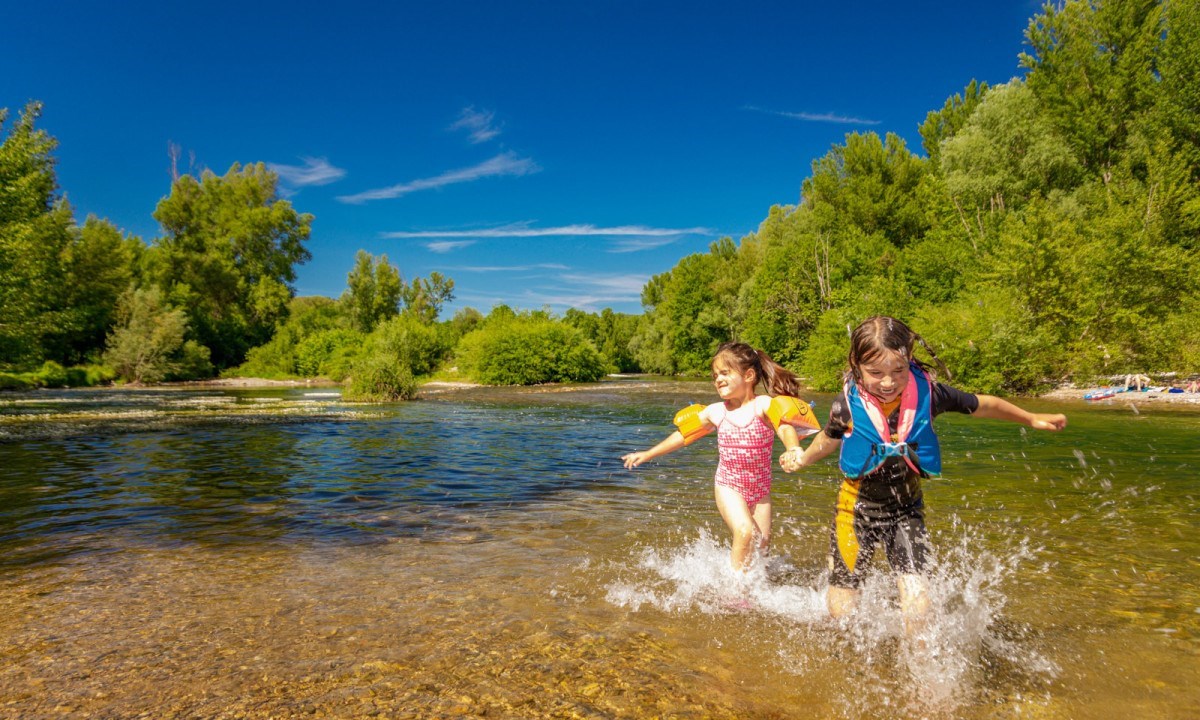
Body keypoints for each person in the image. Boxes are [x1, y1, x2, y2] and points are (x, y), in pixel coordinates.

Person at [780, 316, 1067, 632]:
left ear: (909, 360)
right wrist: (803, 459)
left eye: (898, 371)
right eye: (876, 373)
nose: (888, 382)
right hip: (855, 512)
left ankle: (919, 678)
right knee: (841, 614)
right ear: (857, 366)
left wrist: (1030, 418)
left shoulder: (930, 395)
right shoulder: (845, 405)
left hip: (906, 511)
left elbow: (983, 405)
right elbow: (827, 440)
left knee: (919, 610)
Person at [622, 342, 818, 572]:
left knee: (761, 550)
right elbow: (684, 435)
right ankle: (733, 593)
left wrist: (792, 448)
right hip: (728, 485)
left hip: (760, 491)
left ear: (749, 375)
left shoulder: (763, 405)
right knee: (746, 531)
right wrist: (648, 454)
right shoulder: (716, 412)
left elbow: (784, 427)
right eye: (715, 375)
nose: (718, 379)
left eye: (725, 373)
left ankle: (751, 591)